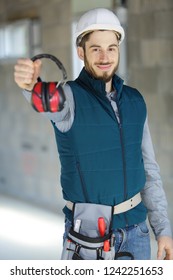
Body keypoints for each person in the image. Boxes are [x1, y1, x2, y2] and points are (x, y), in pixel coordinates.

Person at [14, 8, 173, 260]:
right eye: (95, 48)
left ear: (118, 49)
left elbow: (149, 170)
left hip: (137, 236)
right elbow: (45, 101)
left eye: (111, 47)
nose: (104, 56)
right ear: (81, 52)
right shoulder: (69, 98)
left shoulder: (135, 101)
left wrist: (163, 229)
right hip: (87, 240)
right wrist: (30, 84)